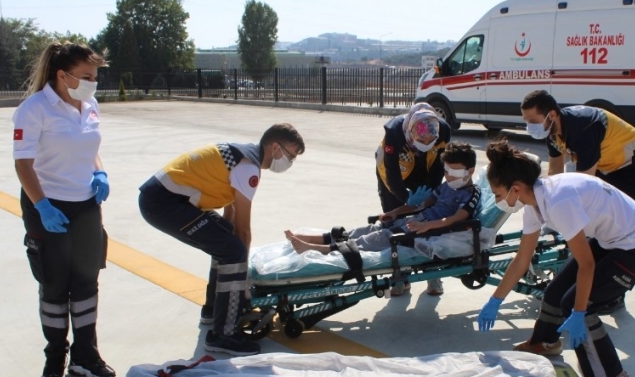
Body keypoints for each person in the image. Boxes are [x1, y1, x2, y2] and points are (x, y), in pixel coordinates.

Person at [475, 140, 635, 377]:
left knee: (578, 305)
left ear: (515, 189)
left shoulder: (559, 202)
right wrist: (495, 299)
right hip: (611, 239)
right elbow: (522, 259)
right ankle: (546, 342)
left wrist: (579, 311)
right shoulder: (534, 202)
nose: (497, 201)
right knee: (555, 292)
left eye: (497, 195)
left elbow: (586, 265)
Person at [138, 123, 305, 356]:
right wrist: (242, 275)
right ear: (275, 147)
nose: (290, 162)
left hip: (164, 199)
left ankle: (214, 309)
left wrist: (234, 255)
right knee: (233, 251)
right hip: (164, 203)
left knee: (226, 242)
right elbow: (244, 231)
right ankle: (223, 335)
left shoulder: (243, 153)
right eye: (291, 155)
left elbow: (231, 216)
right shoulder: (249, 168)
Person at [12, 41, 115, 377]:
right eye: (86, 75)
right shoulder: (34, 109)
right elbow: (24, 165)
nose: (93, 82)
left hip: (86, 206)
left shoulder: (90, 104)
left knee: (87, 283)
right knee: (54, 286)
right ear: (62, 75)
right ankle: (55, 355)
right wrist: (42, 206)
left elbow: (90, 148)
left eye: (95, 75)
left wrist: (99, 172)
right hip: (48, 205)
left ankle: (86, 356)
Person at [287, 142, 480, 297]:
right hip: (415, 221)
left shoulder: (471, 193)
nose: (448, 176)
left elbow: (456, 219)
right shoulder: (446, 187)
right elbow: (421, 205)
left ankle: (316, 248)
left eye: (454, 173)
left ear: (470, 171)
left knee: (376, 238)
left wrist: (427, 225)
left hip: (428, 231)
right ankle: (315, 238)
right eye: (446, 171)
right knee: (368, 229)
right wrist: (396, 212)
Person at [520, 90, 635, 203]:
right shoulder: (551, 130)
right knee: (596, 214)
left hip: (634, 163)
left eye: (533, 121)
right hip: (606, 165)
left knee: (621, 215)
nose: (530, 127)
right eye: (527, 122)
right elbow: (555, 172)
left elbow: (584, 183)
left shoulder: (584, 129)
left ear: (552, 115)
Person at [375, 102, 451, 294]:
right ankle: (400, 276)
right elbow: (391, 172)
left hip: (425, 170)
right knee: (395, 223)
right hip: (394, 172)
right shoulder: (394, 131)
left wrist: (429, 192)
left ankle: (433, 275)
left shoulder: (443, 130)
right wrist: (404, 197)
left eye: (429, 142)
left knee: (428, 220)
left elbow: (438, 167)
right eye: (421, 141)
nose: (425, 144)